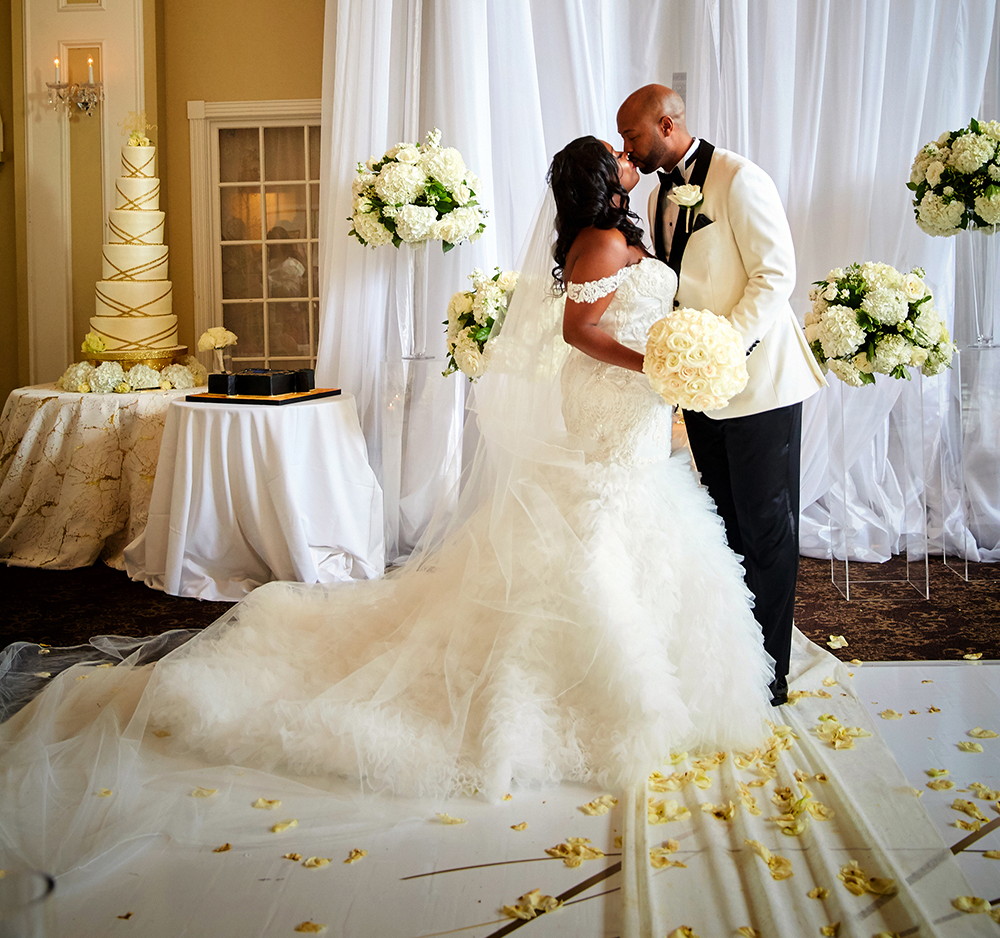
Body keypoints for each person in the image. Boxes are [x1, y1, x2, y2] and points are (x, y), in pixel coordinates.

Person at [0, 136, 772, 876]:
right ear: (599, 179)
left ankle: (677, 676)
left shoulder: (620, 231)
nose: (628, 161)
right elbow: (579, 332)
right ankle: (614, 695)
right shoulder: (599, 244)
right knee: (598, 531)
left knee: (647, 524)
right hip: (612, 399)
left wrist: (672, 360)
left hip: (637, 410)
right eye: (617, 159)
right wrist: (653, 362)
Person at [617, 86, 825, 707]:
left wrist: (722, 347)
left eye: (633, 137)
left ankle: (773, 671)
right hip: (701, 392)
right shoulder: (658, 194)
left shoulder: (739, 178)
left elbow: (775, 276)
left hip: (759, 382)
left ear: (667, 122)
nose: (628, 149)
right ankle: (740, 657)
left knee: (768, 526)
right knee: (726, 525)